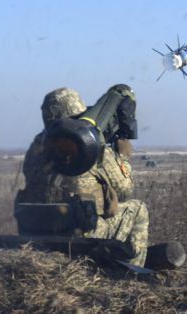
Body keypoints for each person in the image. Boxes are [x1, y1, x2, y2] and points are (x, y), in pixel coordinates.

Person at [14, 87, 149, 267]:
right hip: (82, 232)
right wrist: (121, 156)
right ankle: (131, 275)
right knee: (139, 209)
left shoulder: (36, 147)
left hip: (37, 230)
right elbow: (125, 190)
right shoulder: (87, 145)